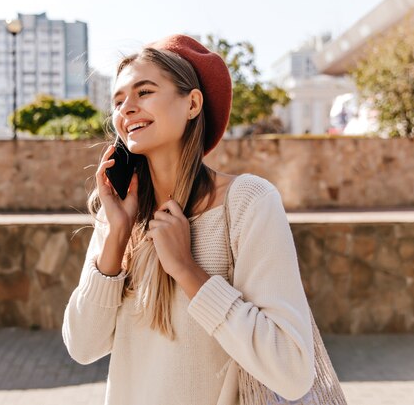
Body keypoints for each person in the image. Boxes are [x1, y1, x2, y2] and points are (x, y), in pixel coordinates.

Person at [62, 34, 315, 405]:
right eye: (117, 100)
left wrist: (187, 270)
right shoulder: (118, 214)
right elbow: (83, 347)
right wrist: (116, 236)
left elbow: (292, 371)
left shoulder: (247, 203)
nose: (126, 108)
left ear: (193, 102)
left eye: (144, 91)